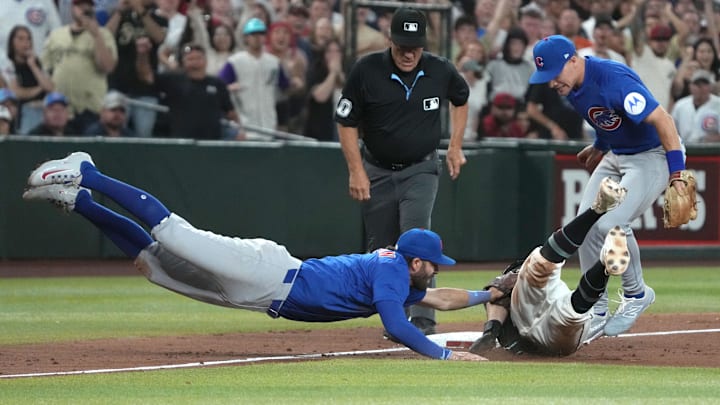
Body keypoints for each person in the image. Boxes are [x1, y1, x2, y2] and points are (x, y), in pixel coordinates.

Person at [22, 151, 494, 362]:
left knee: (155, 264)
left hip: (260, 294)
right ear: (415, 263)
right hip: (269, 272)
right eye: (433, 265)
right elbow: (396, 326)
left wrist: (486, 293)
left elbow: (439, 300)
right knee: (176, 235)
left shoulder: (399, 272)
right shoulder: (393, 273)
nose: (435, 273)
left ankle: (78, 202)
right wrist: (444, 356)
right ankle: (89, 173)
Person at [528, 35, 689, 339]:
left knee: (613, 223)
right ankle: (596, 307)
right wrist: (600, 145)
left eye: (554, 74)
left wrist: (677, 172)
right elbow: (607, 118)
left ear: (573, 60)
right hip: (617, 154)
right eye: (545, 77)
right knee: (585, 226)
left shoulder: (612, 79)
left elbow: (663, 120)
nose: (551, 83)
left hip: (651, 156)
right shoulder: (572, 85)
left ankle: (637, 293)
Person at [335, 7, 469, 336]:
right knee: (382, 249)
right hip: (376, 169)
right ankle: (394, 319)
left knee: (418, 240)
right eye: (402, 45)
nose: (409, 53)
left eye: (415, 46)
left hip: (421, 169)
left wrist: (455, 145)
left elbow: (461, 98)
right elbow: (346, 121)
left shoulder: (439, 69)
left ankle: (424, 320)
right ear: (390, 40)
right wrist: (356, 170)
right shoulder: (366, 70)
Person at [468, 177, 630, 356]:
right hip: (536, 320)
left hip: (545, 332)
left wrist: (491, 331)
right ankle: (602, 256)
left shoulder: (529, 286)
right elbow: (496, 294)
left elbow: (497, 293)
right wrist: (490, 332)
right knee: (565, 303)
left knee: (568, 308)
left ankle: (603, 255)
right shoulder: (522, 287)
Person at [42, 0, 118, 134]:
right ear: (72, 8)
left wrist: (96, 35)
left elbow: (107, 67)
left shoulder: (103, 34)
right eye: (79, 6)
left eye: (87, 6)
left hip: (91, 108)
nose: (84, 9)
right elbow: (45, 68)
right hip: (62, 108)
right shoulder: (57, 35)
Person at [137, 43, 239, 140]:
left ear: (206, 60)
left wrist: (239, 130)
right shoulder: (173, 80)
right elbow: (146, 76)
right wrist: (143, 55)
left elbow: (230, 112)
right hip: (181, 142)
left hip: (211, 144)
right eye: (190, 59)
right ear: (183, 61)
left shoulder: (217, 84)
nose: (194, 62)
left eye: (198, 58)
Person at [105, 0, 168, 138]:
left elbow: (160, 37)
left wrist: (140, 10)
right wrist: (119, 11)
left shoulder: (159, 18)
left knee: (143, 136)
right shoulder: (119, 16)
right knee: (115, 133)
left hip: (146, 88)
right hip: (118, 85)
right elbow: (105, 37)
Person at [3, 25, 56, 134]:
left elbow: (50, 88)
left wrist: (33, 66)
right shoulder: (8, 63)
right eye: (21, 39)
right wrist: (40, 88)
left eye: (28, 39)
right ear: (12, 42)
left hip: (43, 109)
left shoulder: (36, 62)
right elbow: (16, 92)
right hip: (23, 111)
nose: (25, 43)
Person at [671, 69, 720, 143]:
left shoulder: (718, 104)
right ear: (690, 86)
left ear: (711, 87)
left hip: (712, 151)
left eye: (704, 84)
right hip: (685, 149)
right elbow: (671, 131)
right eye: (696, 84)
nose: (700, 87)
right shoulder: (680, 105)